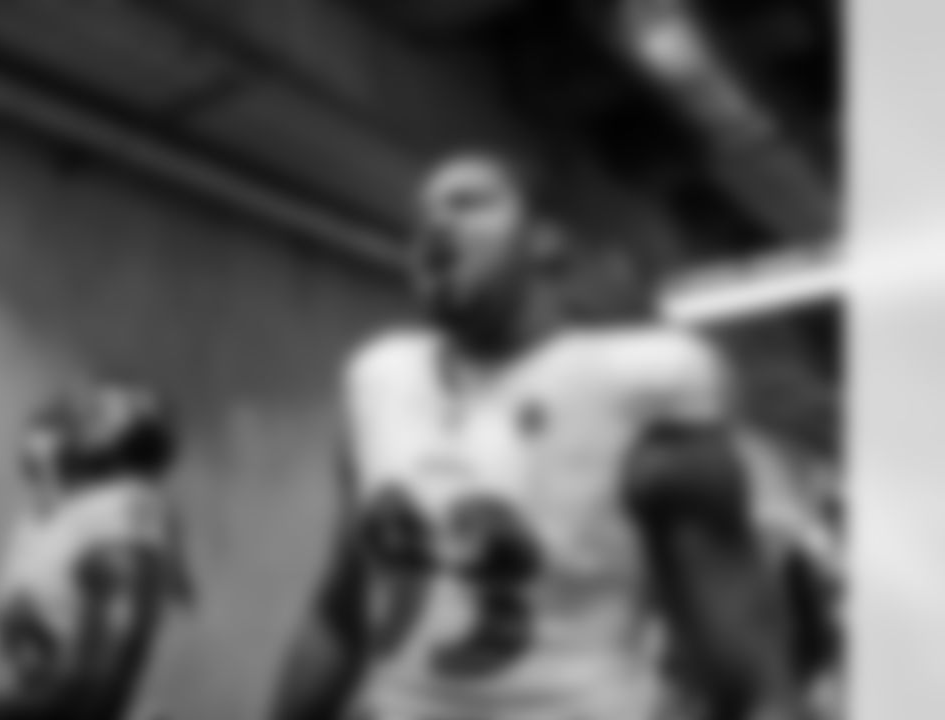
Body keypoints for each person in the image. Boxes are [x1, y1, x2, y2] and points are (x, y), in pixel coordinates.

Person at [268, 151, 805, 720]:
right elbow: (340, 613)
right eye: (420, 215)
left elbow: (751, 680)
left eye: (469, 202)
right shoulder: (379, 380)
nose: (435, 222)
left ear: (544, 242)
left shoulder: (640, 389)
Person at [0, 380, 196, 720]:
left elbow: (95, 695)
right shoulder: (58, 518)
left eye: (97, 413)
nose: (74, 419)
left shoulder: (118, 514)